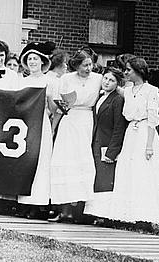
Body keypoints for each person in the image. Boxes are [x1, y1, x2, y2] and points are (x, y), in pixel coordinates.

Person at [108, 56, 159, 225]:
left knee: (144, 173)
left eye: (128, 70)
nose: (125, 73)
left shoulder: (151, 90)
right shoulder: (127, 90)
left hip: (145, 133)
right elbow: (112, 85)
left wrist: (149, 145)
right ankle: (127, 215)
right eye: (125, 70)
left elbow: (153, 118)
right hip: (131, 134)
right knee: (128, 171)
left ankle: (145, 218)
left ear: (139, 71)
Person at [47, 49, 103, 222]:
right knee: (66, 161)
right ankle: (64, 209)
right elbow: (60, 106)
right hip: (69, 121)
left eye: (90, 64)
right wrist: (54, 128)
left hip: (87, 121)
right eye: (84, 65)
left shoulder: (98, 79)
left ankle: (80, 210)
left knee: (83, 162)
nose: (88, 68)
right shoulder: (66, 79)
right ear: (76, 65)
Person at [16, 41, 57, 218]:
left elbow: (54, 109)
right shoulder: (23, 81)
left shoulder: (50, 81)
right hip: (26, 124)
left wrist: (48, 98)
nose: (32, 62)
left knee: (41, 162)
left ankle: (39, 204)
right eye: (29, 59)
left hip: (41, 123)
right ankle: (25, 204)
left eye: (35, 59)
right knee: (26, 161)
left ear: (42, 61)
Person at [84, 67, 128, 222]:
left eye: (112, 80)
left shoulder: (117, 100)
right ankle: (94, 213)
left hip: (107, 144)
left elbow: (119, 127)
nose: (107, 82)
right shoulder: (100, 96)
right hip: (96, 142)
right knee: (96, 178)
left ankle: (105, 216)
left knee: (105, 180)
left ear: (118, 84)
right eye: (106, 78)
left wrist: (112, 151)